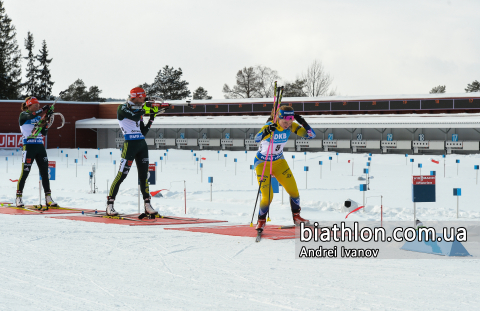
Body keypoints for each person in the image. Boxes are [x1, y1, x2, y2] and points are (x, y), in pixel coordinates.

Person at [254, 106, 316, 230]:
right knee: (268, 196)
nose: (287, 125)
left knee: (294, 191)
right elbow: (256, 139)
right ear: (278, 118)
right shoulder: (269, 126)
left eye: (290, 121)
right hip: (263, 163)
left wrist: (303, 122)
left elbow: (311, 135)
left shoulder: (292, 126)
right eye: (284, 122)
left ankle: (297, 217)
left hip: (279, 161)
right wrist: (266, 131)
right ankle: (261, 221)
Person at [106, 87, 160, 216]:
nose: (143, 100)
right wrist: (144, 110)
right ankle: (109, 205)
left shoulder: (139, 111)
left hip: (141, 144)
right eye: (142, 98)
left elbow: (143, 132)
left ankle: (147, 205)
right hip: (130, 144)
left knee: (144, 177)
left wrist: (152, 117)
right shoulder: (123, 107)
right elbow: (134, 117)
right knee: (122, 175)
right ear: (135, 96)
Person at [16, 97, 58, 207]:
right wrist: (44, 109)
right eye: (36, 105)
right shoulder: (24, 115)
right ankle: (18, 197)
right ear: (29, 105)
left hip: (40, 147)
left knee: (45, 173)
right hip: (29, 147)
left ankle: (48, 198)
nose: (38, 107)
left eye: (39, 105)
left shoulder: (38, 116)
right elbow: (32, 115)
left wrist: (46, 120)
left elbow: (44, 133)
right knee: (25, 173)